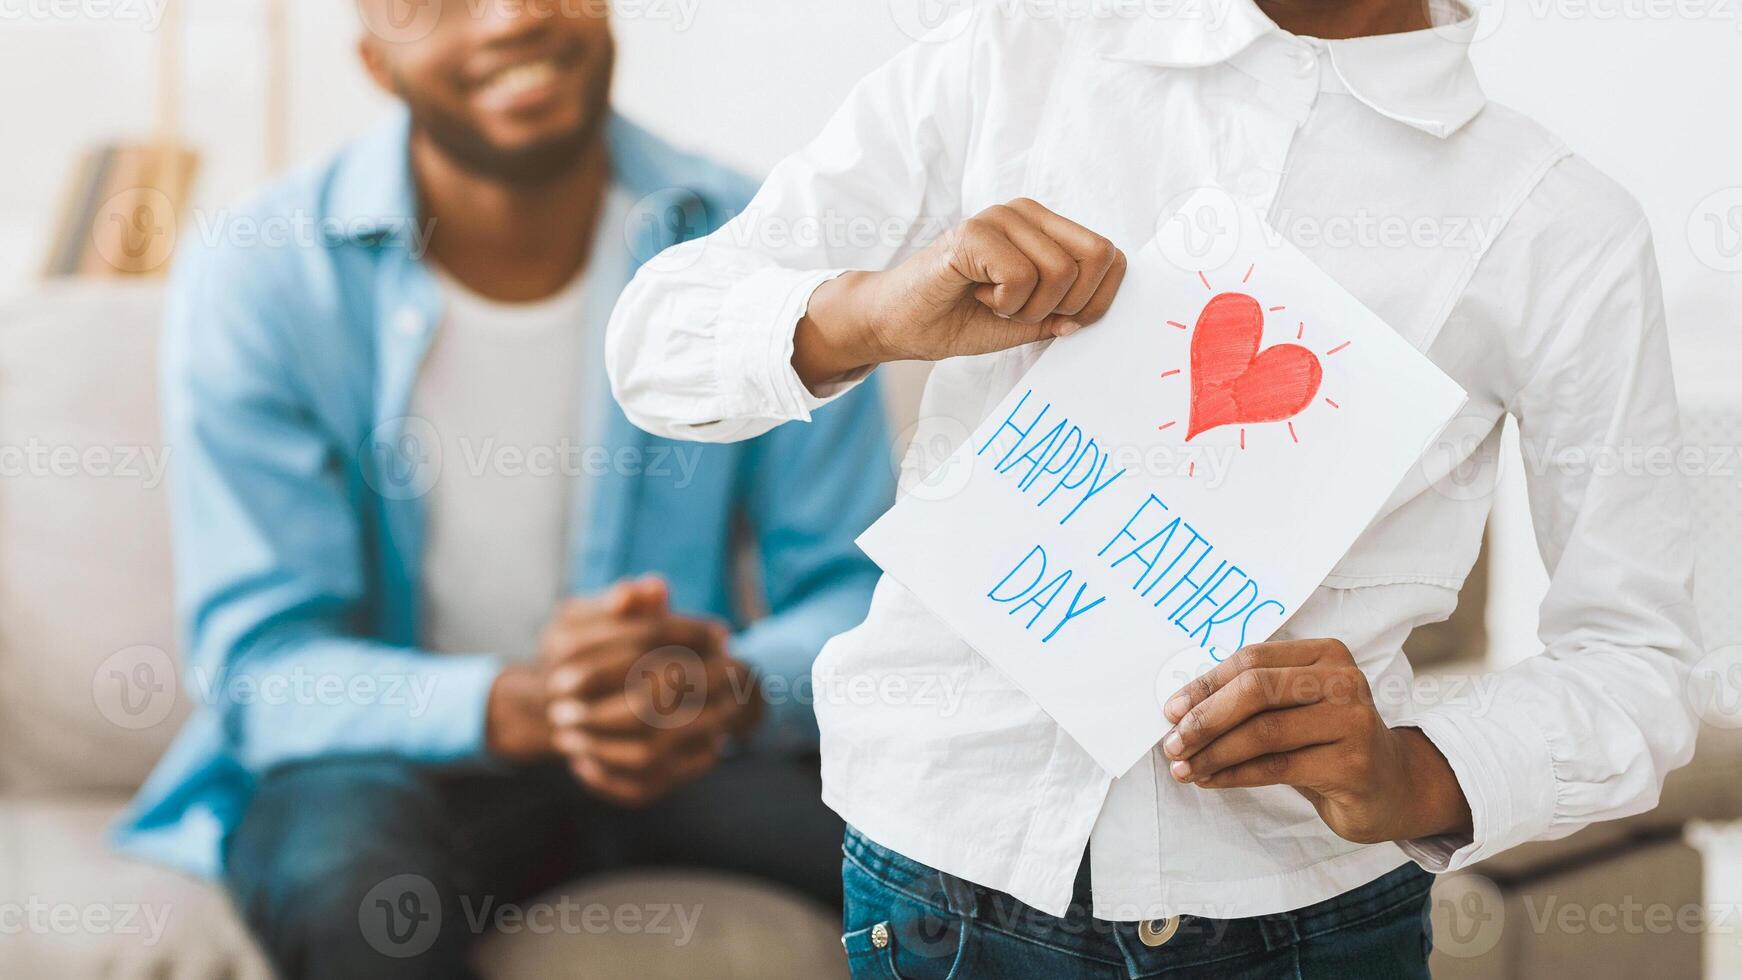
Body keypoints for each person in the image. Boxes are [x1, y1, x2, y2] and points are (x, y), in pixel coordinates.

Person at [605, 0, 1702, 975]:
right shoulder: (1009, 54)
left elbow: (1636, 662)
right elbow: (654, 343)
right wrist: (873, 311)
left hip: (1303, 917)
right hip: (937, 876)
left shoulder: (1559, 227)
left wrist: (1413, 771)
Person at [113, 3, 893, 977]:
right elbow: (261, 665)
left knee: (943, 855)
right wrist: (522, 703)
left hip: (689, 746)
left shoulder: (761, 250)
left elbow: (866, 596)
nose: (512, 17)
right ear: (373, 58)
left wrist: (727, 686)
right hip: (394, 760)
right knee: (351, 884)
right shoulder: (264, 273)